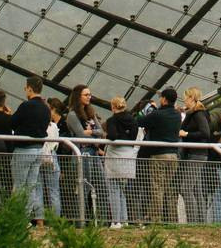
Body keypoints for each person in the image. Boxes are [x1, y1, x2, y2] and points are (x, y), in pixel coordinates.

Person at [12, 76, 56, 223]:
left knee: (19, 185)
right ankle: (25, 218)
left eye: (25, 88)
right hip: (38, 149)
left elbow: (13, 122)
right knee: (31, 186)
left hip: (24, 150)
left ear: (30, 88)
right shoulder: (45, 108)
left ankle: (16, 217)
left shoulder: (26, 105)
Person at [62, 84, 109, 224]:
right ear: (78, 96)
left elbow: (101, 132)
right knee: (82, 188)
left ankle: (102, 221)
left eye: (90, 94)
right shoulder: (72, 115)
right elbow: (80, 135)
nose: (89, 97)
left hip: (93, 152)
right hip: (81, 153)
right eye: (86, 94)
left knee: (102, 186)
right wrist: (93, 136)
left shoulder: (91, 113)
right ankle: (80, 222)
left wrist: (91, 133)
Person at [138, 88, 184, 224]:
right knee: (168, 188)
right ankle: (171, 219)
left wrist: (149, 109)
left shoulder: (157, 114)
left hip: (158, 155)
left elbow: (140, 121)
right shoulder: (177, 115)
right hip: (173, 155)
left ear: (164, 99)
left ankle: (156, 219)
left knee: (157, 188)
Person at [180, 88, 221, 225]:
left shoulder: (198, 114)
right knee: (196, 189)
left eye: (186, 97)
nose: (184, 100)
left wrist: (186, 134)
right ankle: (200, 222)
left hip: (197, 154)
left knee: (186, 188)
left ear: (192, 98)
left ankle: (193, 222)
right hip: (196, 153)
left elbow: (205, 133)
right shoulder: (193, 113)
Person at [103, 94, 139, 228]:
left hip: (115, 157)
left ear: (113, 107)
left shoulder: (112, 120)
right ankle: (124, 220)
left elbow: (112, 136)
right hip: (128, 156)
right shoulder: (133, 119)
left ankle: (115, 221)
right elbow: (134, 136)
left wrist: (108, 135)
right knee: (122, 190)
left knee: (113, 190)